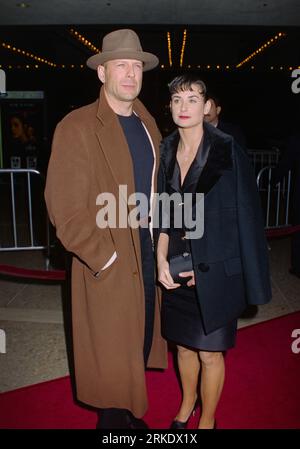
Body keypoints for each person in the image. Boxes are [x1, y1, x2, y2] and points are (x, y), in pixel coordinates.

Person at [45, 29, 167, 429]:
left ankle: (128, 419)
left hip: (146, 254)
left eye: (136, 66)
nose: (130, 74)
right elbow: (64, 209)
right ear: (102, 73)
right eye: (121, 66)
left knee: (138, 339)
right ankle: (115, 426)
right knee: (111, 353)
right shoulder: (77, 126)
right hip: (109, 260)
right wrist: (106, 256)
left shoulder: (150, 126)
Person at [156, 74, 272, 429]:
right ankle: (187, 403)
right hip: (175, 265)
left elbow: (244, 217)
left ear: (207, 106)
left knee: (209, 352)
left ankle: (207, 420)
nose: (184, 107)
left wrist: (212, 265)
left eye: (192, 99)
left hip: (215, 270)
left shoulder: (226, 148)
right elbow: (164, 210)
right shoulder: (166, 148)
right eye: (177, 100)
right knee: (184, 347)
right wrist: (161, 258)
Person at [272, 131, 300, 277]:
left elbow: (285, 163)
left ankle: (297, 266)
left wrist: (273, 180)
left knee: (297, 232)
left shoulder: (296, 138)